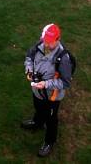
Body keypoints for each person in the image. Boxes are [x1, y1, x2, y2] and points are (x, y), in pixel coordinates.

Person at [22, 23, 74, 158]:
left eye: (50, 42)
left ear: (58, 39)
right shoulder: (39, 44)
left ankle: (49, 141)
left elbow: (65, 82)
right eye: (45, 40)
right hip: (37, 91)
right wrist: (29, 70)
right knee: (38, 107)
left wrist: (46, 84)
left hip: (52, 97)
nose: (46, 44)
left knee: (51, 119)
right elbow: (29, 57)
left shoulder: (63, 58)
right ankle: (38, 122)